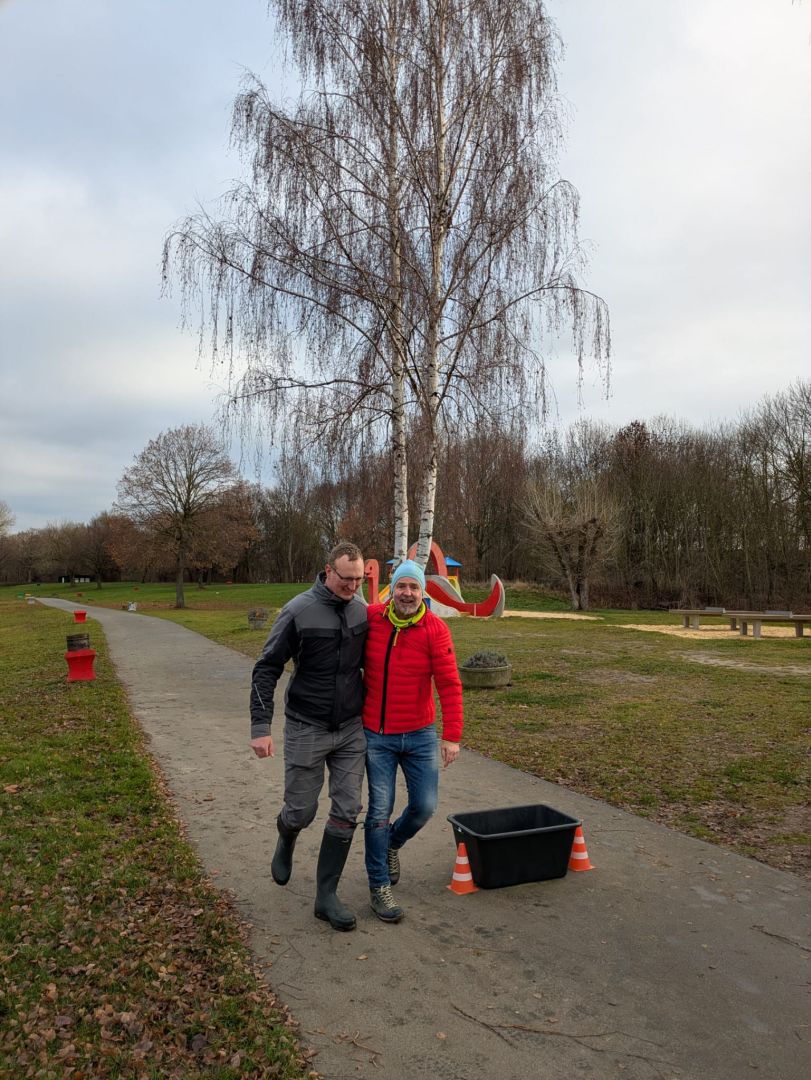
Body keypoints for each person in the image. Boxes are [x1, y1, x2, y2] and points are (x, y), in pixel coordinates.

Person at [249, 541, 368, 932]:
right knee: (302, 810)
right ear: (328, 570)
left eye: (359, 579)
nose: (354, 586)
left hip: (350, 729)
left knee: (348, 809)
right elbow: (266, 668)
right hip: (306, 726)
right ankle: (287, 834)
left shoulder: (362, 610)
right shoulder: (298, 611)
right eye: (347, 579)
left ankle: (326, 896)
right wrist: (261, 728)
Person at [361, 559, 463, 923]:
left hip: (420, 735)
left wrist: (451, 736)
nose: (407, 593)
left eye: (414, 587)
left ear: (422, 592)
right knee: (378, 811)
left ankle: (392, 843)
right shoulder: (372, 619)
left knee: (424, 806)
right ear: (392, 590)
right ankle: (378, 886)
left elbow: (449, 684)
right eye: (401, 586)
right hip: (377, 736)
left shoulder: (435, 630)